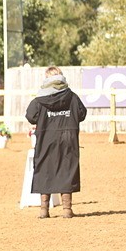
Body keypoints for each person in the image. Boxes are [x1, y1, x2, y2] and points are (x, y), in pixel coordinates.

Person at [25, 66, 87, 218]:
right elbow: (82, 114)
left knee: (45, 169)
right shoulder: (72, 97)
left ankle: (44, 210)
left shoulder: (39, 99)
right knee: (67, 169)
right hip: (68, 138)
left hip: (46, 139)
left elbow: (30, 116)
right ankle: (67, 209)